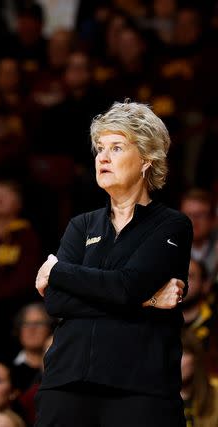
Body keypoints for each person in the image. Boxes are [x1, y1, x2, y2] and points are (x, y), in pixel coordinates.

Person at [34, 101, 193, 426]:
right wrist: (148, 300)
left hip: (140, 387)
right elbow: (55, 300)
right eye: (100, 149)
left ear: (147, 159)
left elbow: (126, 286)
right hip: (67, 382)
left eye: (116, 147)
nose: (102, 158)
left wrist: (59, 271)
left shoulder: (172, 225)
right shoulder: (81, 225)